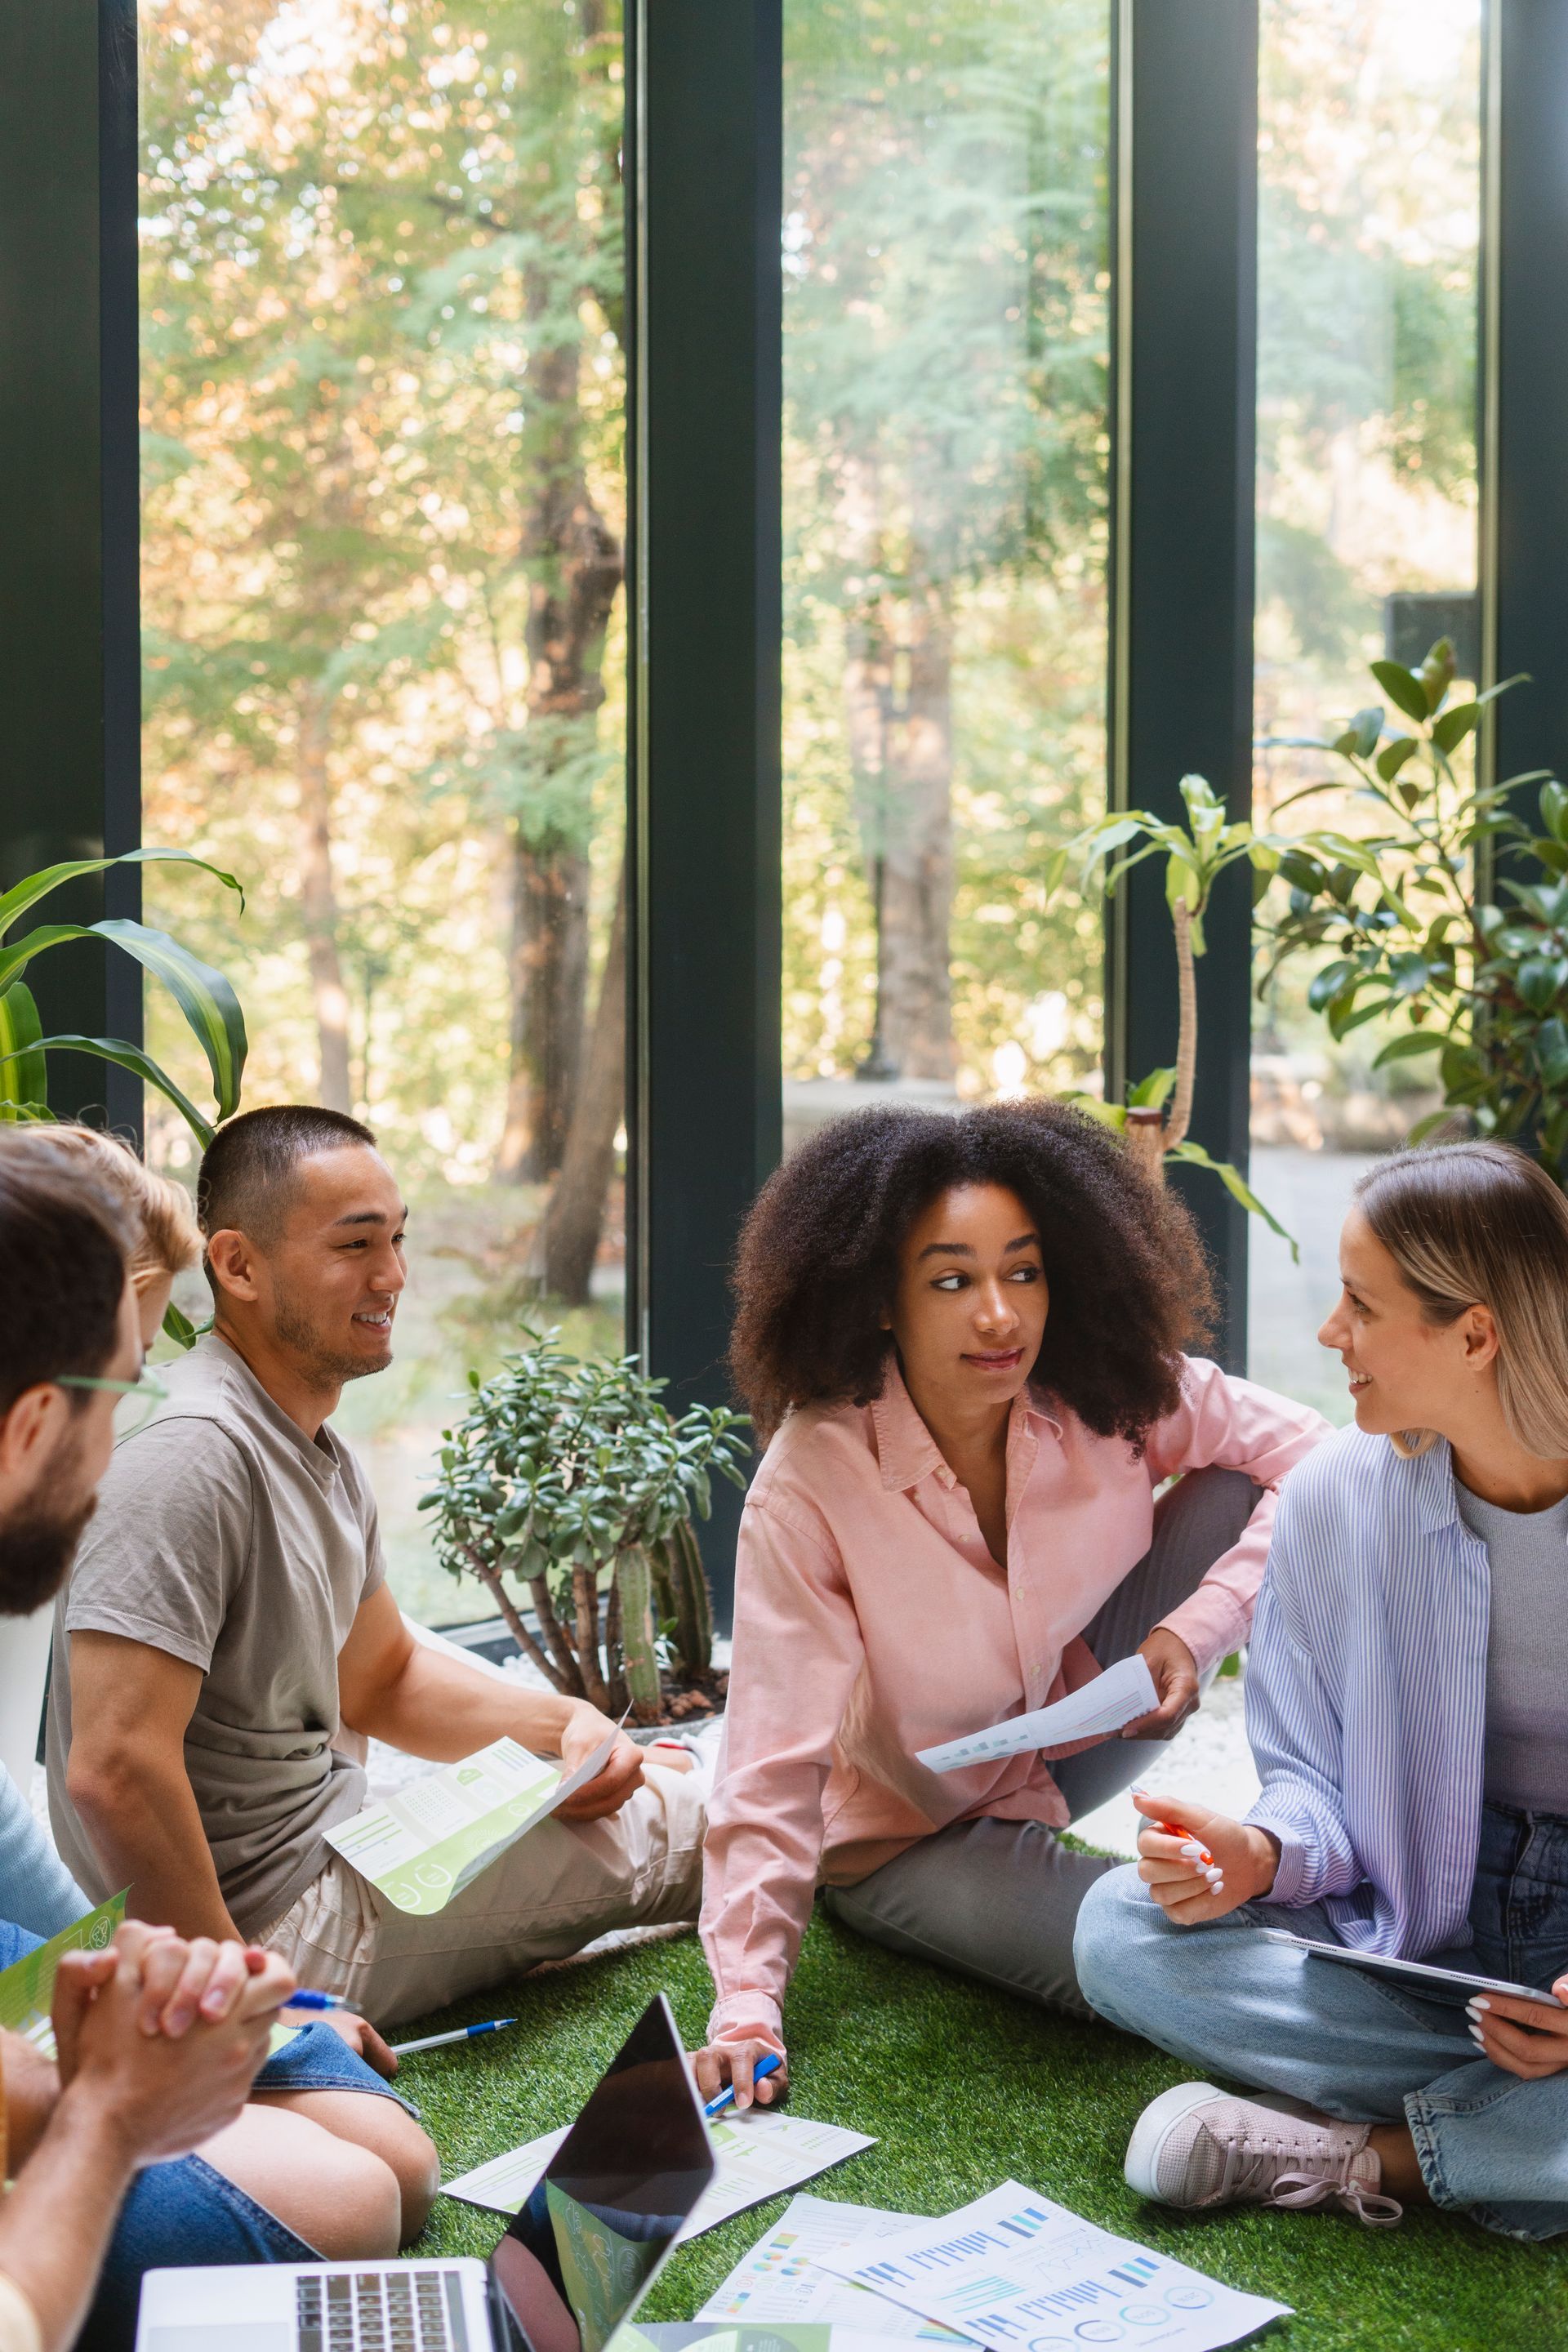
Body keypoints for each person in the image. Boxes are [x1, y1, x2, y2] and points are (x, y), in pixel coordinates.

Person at [693, 1100, 1328, 2114]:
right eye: (952, 1281)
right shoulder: (813, 1478)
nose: (1000, 1315)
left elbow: (1323, 1459)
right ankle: (1383, 2044)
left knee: (1239, 1486)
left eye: (1022, 1272)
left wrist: (1193, 1630)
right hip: (910, 1832)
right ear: (883, 1301)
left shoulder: (1097, 1388)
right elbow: (770, 1766)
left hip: (1072, 1730)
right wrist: (745, 2011)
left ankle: (1363, 1939)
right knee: (1147, 1951)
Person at [48, 1105, 703, 2026]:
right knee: (696, 1822)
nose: (392, 1275)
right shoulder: (193, 1454)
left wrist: (560, 1728)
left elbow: (383, 1678)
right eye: (355, 1245)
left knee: (639, 1787)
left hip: (335, 1834)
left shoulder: (304, 1442)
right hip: (269, 1928)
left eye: (396, 1239)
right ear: (236, 1265)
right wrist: (248, 2008)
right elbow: (112, 1766)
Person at [1076, 1140, 1568, 2241]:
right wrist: (1256, 1855)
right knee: (1115, 1929)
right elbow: (1309, 1784)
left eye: (1359, 1304)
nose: (1327, 1334)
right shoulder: (1335, 1499)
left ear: (1476, 1334)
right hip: (1418, 1928)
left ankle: (1361, 2153)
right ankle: (1520, 2139)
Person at [0, 1134, 430, 2352]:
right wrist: (88, 2109)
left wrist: (246, 1998)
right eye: (125, 1388)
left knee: (385, 2150)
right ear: (33, 1426)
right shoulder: (193, 1463)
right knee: (351, 2198)